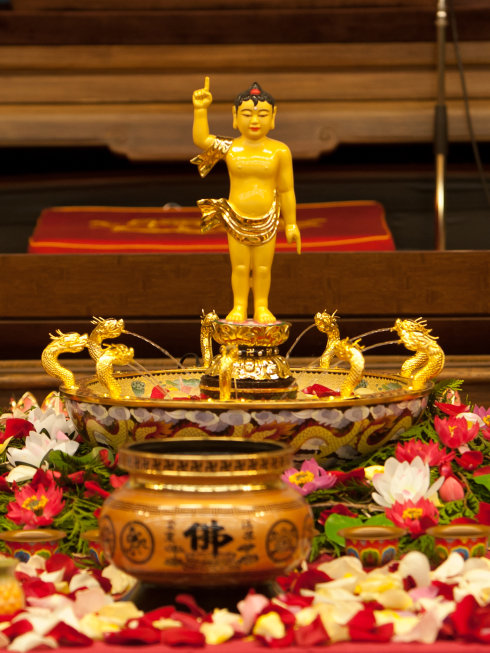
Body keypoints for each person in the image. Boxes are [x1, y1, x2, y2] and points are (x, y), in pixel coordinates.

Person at [191, 77, 301, 324]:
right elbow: (201, 139)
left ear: (273, 117)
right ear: (235, 116)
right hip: (235, 217)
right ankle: (239, 305)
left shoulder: (280, 151)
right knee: (240, 268)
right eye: (247, 114)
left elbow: (286, 190)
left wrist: (291, 223)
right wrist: (200, 109)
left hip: (268, 219)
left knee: (262, 268)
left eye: (262, 114)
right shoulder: (230, 148)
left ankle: (262, 306)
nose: (254, 121)